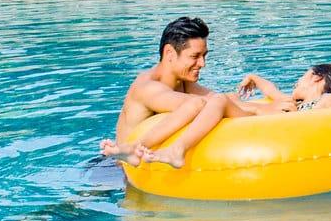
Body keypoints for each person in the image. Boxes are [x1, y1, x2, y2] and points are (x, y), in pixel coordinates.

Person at [102, 16, 281, 168]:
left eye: (204, 56)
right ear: (170, 53)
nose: (202, 64)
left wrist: (268, 107)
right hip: (115, 173)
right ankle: (135, 147)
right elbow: (199, 104)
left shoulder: (183, 82)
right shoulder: (148, 88)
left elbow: (224, 101)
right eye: (195, 56)